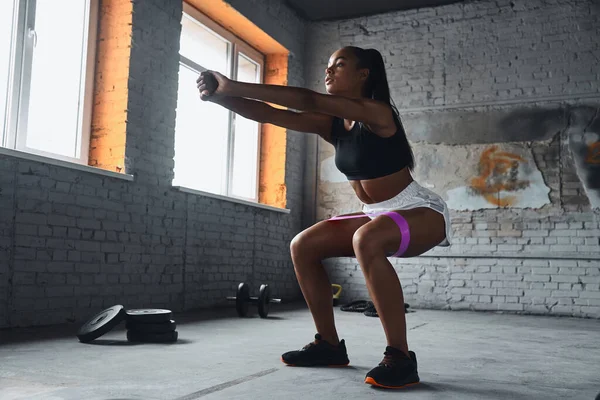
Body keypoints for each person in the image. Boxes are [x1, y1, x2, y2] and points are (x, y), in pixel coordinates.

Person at [197, 46, 451, 389]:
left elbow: (307, 99)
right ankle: (329, 345)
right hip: (376, 214)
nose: (329, 71)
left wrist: (232, 86)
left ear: (363, 75)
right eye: (328, 65)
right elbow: (268, 114)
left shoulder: (377, 113)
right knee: (303, 244)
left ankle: (401, 357)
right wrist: (218, 98)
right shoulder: (333, 125)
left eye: (339, 65)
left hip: (420, 211)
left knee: (367, 239)